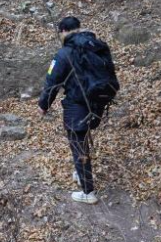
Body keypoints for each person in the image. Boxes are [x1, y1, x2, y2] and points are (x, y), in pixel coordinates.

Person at [38, 16, 117, 205]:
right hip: (98, 103)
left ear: (63, 31)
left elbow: (52, 82)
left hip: (78, 105)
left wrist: (43, 105)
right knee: (82, 140)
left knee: (78, 144)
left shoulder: (65, 53)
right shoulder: (95, 46)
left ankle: (88, 191)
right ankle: (82, 172)